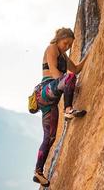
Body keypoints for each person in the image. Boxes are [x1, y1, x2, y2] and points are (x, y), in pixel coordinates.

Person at [33, 27, 88, 187]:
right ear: (59, 39)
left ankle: (38, 172)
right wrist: (69, 83)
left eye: (70, 45)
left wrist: (89, 54)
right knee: (69, 77)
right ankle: (68, 109)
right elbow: (57, 74)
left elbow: (76, 68)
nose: (67, 47)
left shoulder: (63, 55)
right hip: (45, 91)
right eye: (65, 43)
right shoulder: (51, 48)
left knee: (50, 137)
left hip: (50, 101)